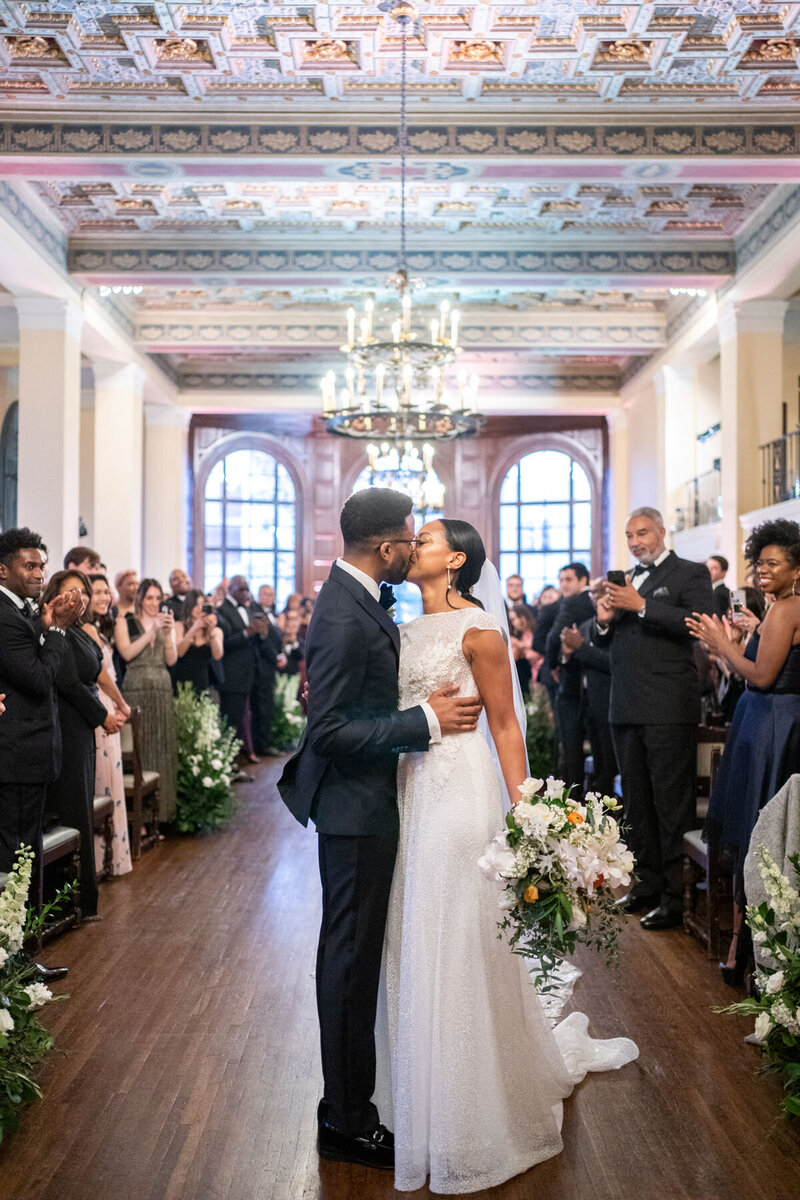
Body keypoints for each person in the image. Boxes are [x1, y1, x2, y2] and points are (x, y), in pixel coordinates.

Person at [375, 518, 638, 1193]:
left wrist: (525, 815)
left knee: (458, 926)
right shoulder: (401, 625)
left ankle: (473, 1103)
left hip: (459, 789)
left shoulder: (481, 629)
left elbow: (503, 722)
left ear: (455, 560)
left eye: (426, 538)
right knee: (414, 921)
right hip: (410, 785)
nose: (414, 546)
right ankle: (421, 1090)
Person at [277, 488, 484, 1173]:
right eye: (407, 540)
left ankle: (346, 1099)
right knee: (349, 959)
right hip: (354, 810)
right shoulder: (341, 614)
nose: (410, 549)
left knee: (356, 955)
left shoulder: (359, 599)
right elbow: (329, 731)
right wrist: (423, 722)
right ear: (386, 546)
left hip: (370, 799)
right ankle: (347, 1118)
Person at [687, 519, 800, 983]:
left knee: (759, 838)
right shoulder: (781, 607)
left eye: (772, 563)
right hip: (771, 721)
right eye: (757, 564)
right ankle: (747, 948)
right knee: (764, 838)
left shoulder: (788, 607)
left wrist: (720, 646)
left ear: (797, 567)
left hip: (771, 725)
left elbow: (761, 676)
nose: (761, 572)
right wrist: (738, 644)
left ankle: (747, 955)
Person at [597, 506, 714, 930]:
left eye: (642, 532)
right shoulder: (628, 579)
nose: (635, 541)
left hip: (667, 706)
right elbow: (605, 641)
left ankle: (674, 896)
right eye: (629, 535)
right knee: (637, 804)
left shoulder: (690, 573)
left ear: (662, 532)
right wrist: (605, 620)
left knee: (670, 803)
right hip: (624, 706)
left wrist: (642, 604)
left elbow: (700, 622)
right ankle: (644, 884)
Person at [43, 570, 125, 919]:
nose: (79, 597)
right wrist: (101, 715)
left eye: (83, 591)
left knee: (83, 803)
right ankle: (70, 901)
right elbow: (68, 681)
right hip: (68, 725)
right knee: (74, 805)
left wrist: (116, 706)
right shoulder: (53, 630)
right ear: (55, 596)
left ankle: (83, 900)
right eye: (70, 591)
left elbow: (94, 673)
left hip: (82, 726)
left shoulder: (80, 630)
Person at [0, 528, 74, 875]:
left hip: (30, 753)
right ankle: (16, 927)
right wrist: (57, 630)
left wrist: (45, 628)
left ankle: (26, 923)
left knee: (26, 847)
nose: (40, 574)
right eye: (29, 567)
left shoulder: (22, 612)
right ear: (3, 570)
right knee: (17, 850)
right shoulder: (4, 615)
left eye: (42, 566)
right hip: (16, 754)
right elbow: (39, 680)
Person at [116, 579, 178, 824]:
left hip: (162, 687)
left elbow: (171, 660)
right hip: (136, 686)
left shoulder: (164, 623)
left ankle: (162, 815)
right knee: (140, 749)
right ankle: (139, 818)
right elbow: (127, 653)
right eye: (149, 597)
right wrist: (151, 631)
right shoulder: (125, 621)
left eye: (158, 598)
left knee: (162, 746)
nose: (154, 603)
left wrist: (169, 633)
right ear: (140, 598)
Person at [84, 574, 133, 878]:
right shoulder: (88, 629)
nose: (103, 597)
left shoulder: (100, 627)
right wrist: (121, 703)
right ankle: (101, 857)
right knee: (103, 780)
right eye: (97, 592)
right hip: (100, 704)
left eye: (106, 592)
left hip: (108, 701)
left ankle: (111, 856)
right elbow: (100, 672)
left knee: (111, 779)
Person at [560, 583, 618, 797]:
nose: (596, 597)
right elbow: (575, 664)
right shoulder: (585, 626)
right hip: (587, 704)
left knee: (609, 767)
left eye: (601, 592)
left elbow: (613, 663)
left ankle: (612, 819)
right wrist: (566, 654)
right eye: (594, 592)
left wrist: (581, 648)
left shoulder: (618, 627)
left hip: (610, 703)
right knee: (596, 764)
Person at [545, 562, 594, 792]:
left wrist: (552, 663)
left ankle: (571, 798)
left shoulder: (574, 602)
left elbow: (554, 636)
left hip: (574, 682)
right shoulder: (589, 602)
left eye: (569, 579)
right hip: (589, 682)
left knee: (570, 747)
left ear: (583, 580)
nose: (563, 584)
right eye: (561, 579)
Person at [216, 576, 268, 766]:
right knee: (231, 721)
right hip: (232, 675)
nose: (246, 593)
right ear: (231, 589)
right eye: (242, 589)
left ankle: (237, 760)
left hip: (249, 673)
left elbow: (253, 640)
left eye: (247, 589)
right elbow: (224, 644)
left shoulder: (247, 608)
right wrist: (246, 633)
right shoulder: (223, 611)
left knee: (242, 720)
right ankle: (228, 764)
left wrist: (261, 633)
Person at [251, 585, 285, 756]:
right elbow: (262, 640)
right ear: (259, 595)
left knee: (267, 706)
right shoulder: (256, 612)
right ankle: (262, 745)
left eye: (272, 594)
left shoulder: (273, 613)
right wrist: (276, 657)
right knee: (262, 707)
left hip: (270, 666)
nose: (269, 597)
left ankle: (266, 742)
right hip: (261, 666)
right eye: (266, 594)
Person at [174, 590, 223, 694]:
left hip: (205, 681)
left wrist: (211, 632)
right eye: (196, 605)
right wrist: (194, 628)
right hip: (182, 682)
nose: (199, 608)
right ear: (189, 606)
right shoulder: (179, 626)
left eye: (203, 605)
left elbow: (218, 655)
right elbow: (179, 652)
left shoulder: (215, 630)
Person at [508, 603, 539, 696]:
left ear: (522, 617)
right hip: (534, 677)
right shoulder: (523, 637)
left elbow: (535, 653)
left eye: (513, 619)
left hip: (542, 676)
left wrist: (517, 644)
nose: (513, 623)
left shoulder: (536, 633)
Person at [706, 554, 731, 619]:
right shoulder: (713, 591)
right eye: (707, 567)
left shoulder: (719, 593)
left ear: (723, 573)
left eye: (714, 568)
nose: (709, 571)